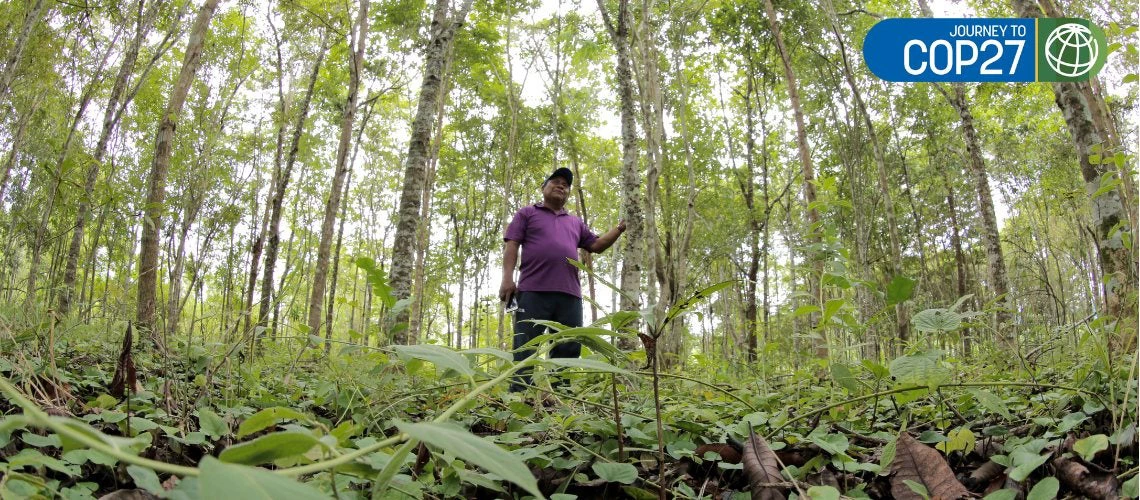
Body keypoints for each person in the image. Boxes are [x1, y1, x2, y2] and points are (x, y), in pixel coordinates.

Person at [499, 167, 625, 393]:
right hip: (532, 291)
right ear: (544, 187)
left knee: (568, 345)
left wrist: (619, 229)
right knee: (526, 344)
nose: (561, 186)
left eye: (566, 185)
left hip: (569, 294)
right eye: (556, 181)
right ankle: (519, 396)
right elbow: (512, 244)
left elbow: (596, 245)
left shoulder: (575, 222)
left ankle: (561, 394)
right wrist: (507, 279)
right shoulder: (527, 213)